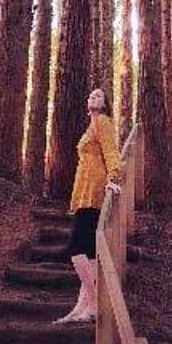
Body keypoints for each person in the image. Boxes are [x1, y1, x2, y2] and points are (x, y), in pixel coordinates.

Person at [54, 86, 122, 324]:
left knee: (75, 247)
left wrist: (113, 178)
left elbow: (112, 152)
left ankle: (94, 302)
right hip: (84, 188)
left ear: (104, 104)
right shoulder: (91, 125)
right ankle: (81, 308)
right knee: (91, 252)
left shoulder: (103, 122)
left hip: (95, 187)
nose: (93, 97)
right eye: (91, 94)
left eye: (99, 96)